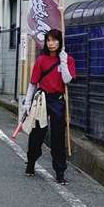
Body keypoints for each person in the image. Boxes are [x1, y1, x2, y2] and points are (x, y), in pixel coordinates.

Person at [23, 28, 76, 184]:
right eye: (48, 40)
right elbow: (33, 83)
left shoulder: (67, 59)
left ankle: (60, 172)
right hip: (42, 98)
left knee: (58, 137)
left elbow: (67, 80)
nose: (51, 43)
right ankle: (31, 162)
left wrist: (63, 61)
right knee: (37, 133)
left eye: (54, 40)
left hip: (58, 100)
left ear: (60, 41)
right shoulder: (41, 60)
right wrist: (27, 102)